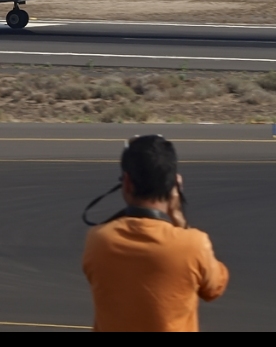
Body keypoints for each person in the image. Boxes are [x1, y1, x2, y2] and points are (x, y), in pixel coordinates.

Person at [82, 134, 229, 332]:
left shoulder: (97, 241)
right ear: (175, 185)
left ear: (126, 182)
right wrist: (179, 220)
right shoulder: (194, 244)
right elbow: (215, 288)